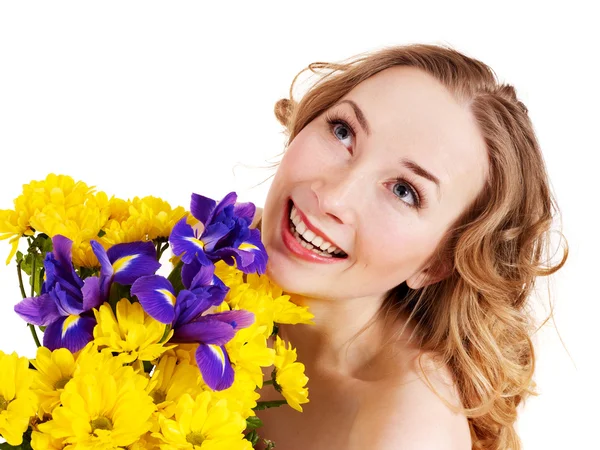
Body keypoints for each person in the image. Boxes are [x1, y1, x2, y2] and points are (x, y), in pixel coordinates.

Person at [248, 44, 568, 450]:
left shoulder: (407, 432)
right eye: (343, 132)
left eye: (404, 191)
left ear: (436, 264)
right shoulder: (205, 257)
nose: (332, 198)